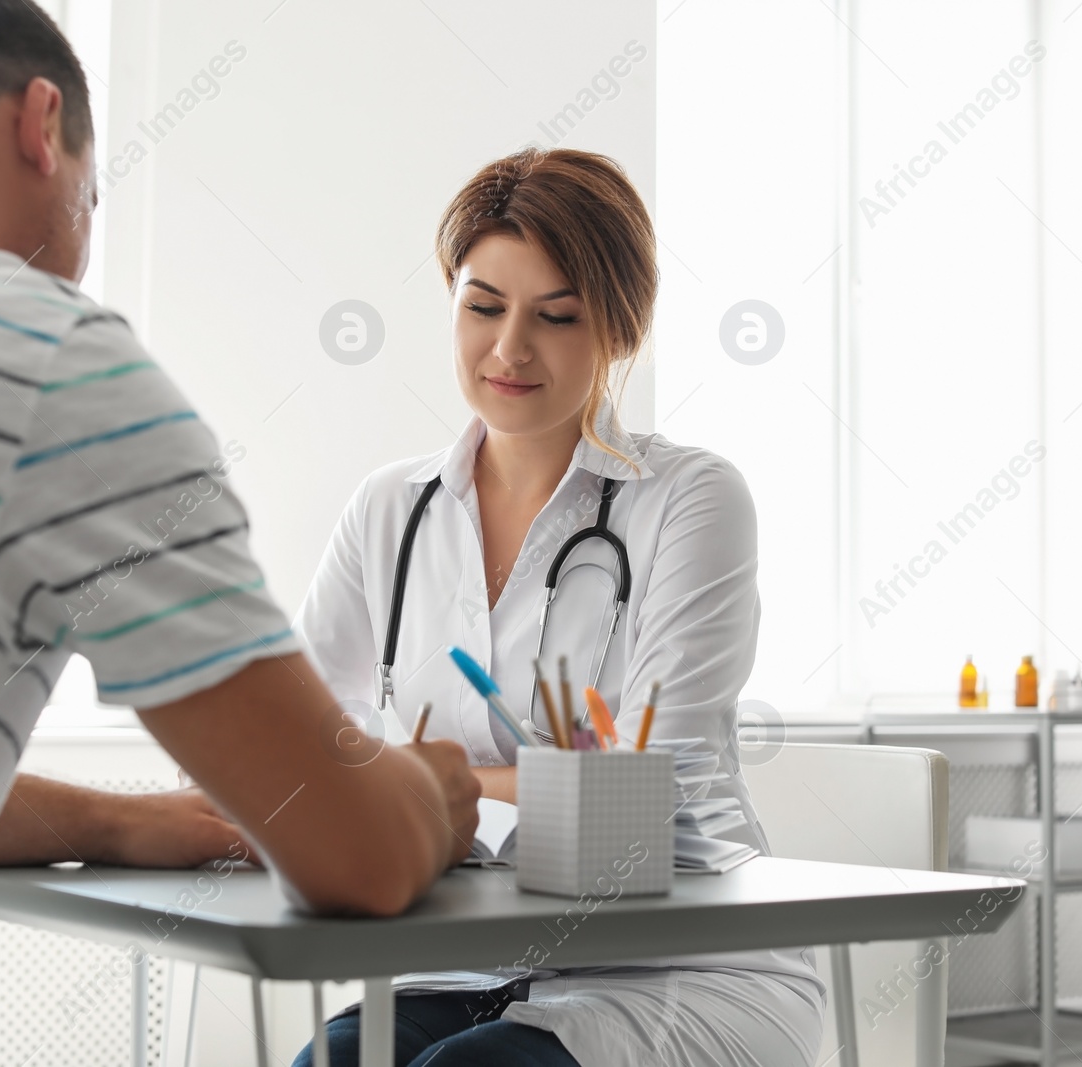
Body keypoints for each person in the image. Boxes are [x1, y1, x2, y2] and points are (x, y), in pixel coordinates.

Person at [0, 2, 478, 1064]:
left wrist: (112, 821)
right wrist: (430, 791)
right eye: (94, 195)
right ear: (41, 125)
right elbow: (357, 858)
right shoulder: (40, 353)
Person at [290, 148, 824, 1067]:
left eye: (558, 315)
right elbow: (304, 754)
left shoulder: (691, 500)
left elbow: (655, 796)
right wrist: (500, 791)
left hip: (678, 966)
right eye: (483, 305)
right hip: (453, 965)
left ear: (621, 326)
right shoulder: (391, 510)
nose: (509, 349)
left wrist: (415, 787)